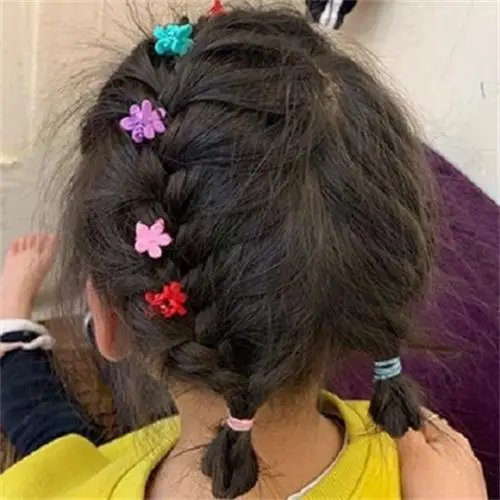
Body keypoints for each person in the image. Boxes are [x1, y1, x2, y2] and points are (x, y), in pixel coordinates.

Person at [0, 7, 488, 499]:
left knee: (49, 433)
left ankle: (14, 336)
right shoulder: (425, 465)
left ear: (108, 319)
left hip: (97, 469)